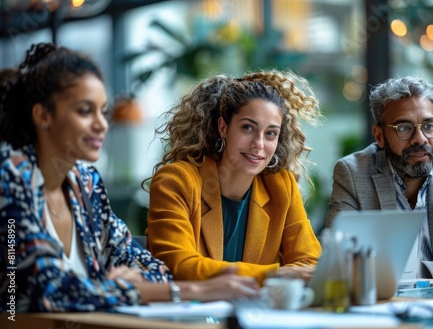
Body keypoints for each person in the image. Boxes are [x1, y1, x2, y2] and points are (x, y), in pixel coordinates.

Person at [0, 42, 259, 312]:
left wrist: (130, 283)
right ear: (43, 115)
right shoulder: (11, 179)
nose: (102, 124)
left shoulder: (85, 183)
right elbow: (48, 291)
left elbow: (154, 269)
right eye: (85, 111)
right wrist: (193, 289)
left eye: (103, 111)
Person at [146, 69, 322, 284]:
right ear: (223, 127)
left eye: (270, 133)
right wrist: (274, 274)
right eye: (248, 127)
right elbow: (180, 266)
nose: (258, 144)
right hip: (192, 312)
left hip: (259, 313)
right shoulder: (176, 181)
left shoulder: (281, 186)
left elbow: (310, 263)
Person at [327, 75, 433, 279]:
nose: (420, 139)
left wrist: (426, 272)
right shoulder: (353, 173)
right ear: (379, 136)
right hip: (382, 303)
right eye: (404, 128)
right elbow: (338, 254)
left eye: (428, 126)